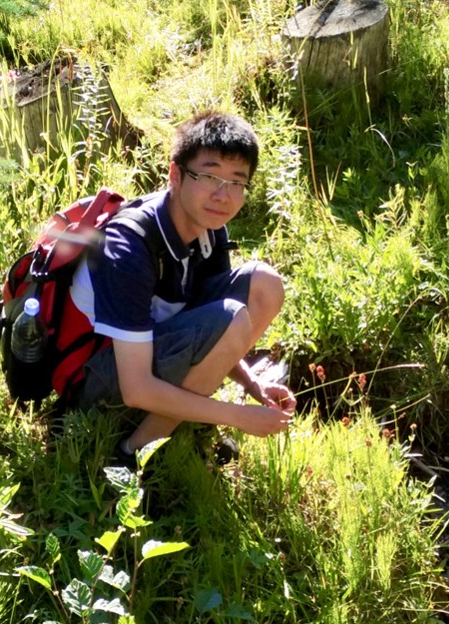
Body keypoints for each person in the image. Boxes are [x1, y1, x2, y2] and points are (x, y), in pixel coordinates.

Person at [69, 110, 296, 461]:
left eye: (237, 182)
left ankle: (175, 418)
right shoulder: (129, 246)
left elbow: (215, 329)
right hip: (96, 382)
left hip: (152, 351)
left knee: (265, 285)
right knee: (233, 316)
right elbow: (136, 388)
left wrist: (254, 386)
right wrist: (236, 416)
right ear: (175, 174)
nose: (224, 195)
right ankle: (130, 455)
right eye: (209, 176)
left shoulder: (209, 230)